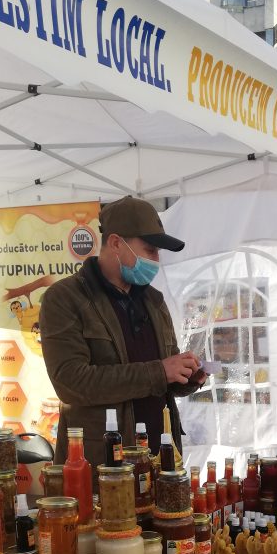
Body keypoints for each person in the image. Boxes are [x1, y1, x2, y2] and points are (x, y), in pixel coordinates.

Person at [39, 195, 204, 468]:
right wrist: (159, 371)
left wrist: (187, 376)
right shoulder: (65, 298)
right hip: (104, 462)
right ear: (116, 243)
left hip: (160, 455)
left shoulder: (153, 300)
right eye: (150, 250)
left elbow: (163, 374)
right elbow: (70, 383)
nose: (156, 260)